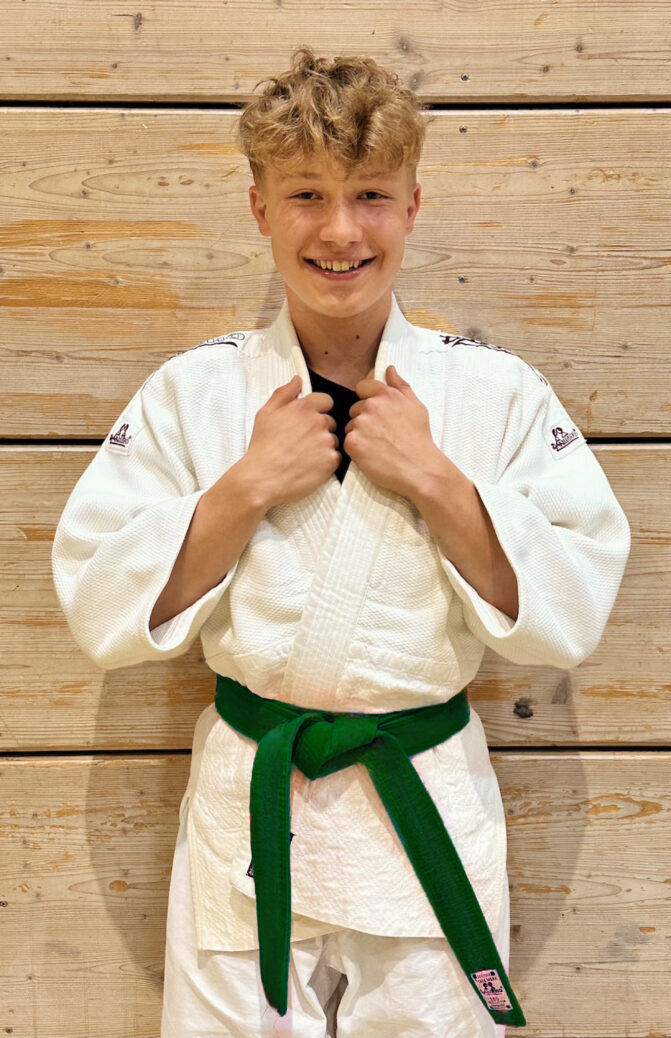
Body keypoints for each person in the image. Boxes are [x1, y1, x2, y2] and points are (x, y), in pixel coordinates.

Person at [51, 46, 632, 1038]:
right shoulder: (194, 393)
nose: (340, 231)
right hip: (250, 818)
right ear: (259, 209)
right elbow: (100, 605)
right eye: (306, 195)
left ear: (412, 205)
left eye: (370, 195)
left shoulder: (494, 393)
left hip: (424, 808)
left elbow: (572, 607)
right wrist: (248, 486)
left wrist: (435, 478)